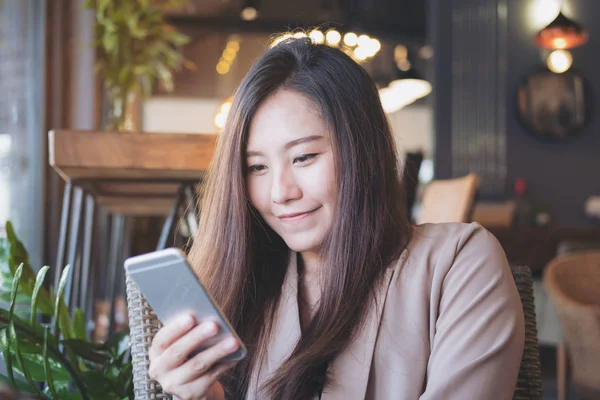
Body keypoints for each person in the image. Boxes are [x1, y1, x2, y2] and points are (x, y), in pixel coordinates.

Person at [147, 37, 525, 400]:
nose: (281, 192)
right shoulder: (243, 286)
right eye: (256, 167)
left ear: (362, 149)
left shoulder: (460, 262)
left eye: (304, 157)